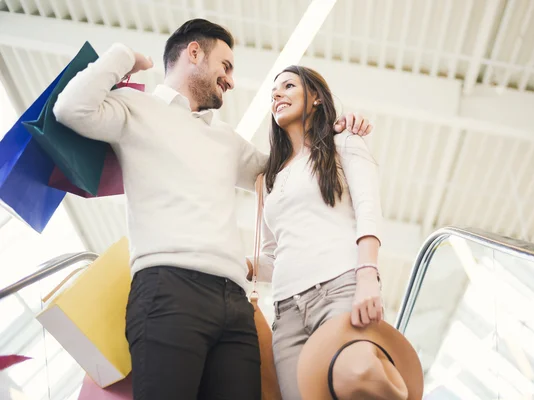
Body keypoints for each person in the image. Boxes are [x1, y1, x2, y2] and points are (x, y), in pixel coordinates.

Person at [53, 19, 372, 400]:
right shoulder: (134, 110)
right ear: (194, 53)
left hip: (235, 306)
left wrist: (334, 132)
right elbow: (71, 108)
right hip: (168, 288)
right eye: (226, 66)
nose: (231, 80)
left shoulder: (225, 139)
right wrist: (123, 57)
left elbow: (289, 172)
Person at [246, 65, 384, 399]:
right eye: (273, 92)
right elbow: (271, 257)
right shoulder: (269, 180)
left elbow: (369, 208)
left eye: (288, 86)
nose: (277, 94)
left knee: (352, 387)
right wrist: (243, 265)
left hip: (339, 291)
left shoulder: (344, 143)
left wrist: (368, 274)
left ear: (317, 97)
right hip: (286, 314)